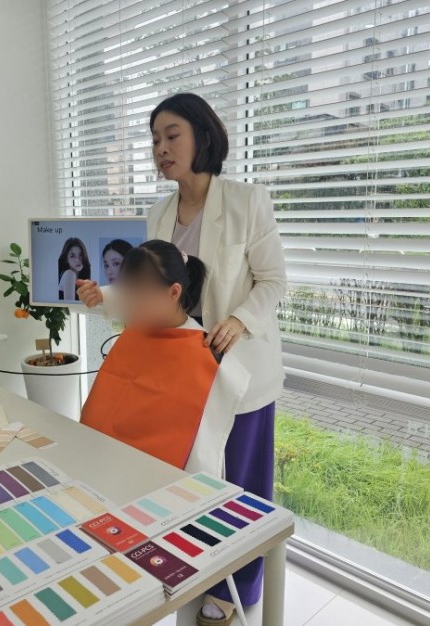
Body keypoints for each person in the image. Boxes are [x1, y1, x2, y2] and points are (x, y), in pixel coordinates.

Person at [77, 92, 286, 625]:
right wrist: (108, 297)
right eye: (154, 140)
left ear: (203, 137)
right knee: (194, 480)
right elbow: (156, 291)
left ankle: (238, 591)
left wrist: (238, 320)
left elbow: (274, 281)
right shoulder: (159, 212)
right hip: (179, 373)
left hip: (239, 370)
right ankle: (196, 565)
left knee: (241, 485)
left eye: (172, 136)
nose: (161, 149)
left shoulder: (246, 200)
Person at [81, 240, 248, 477]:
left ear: (174, 292)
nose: (128, 307)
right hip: (105, 466)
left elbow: (202, 453)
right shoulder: (138, 329)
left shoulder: (205, 354)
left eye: (138, 296)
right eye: (125, 294)